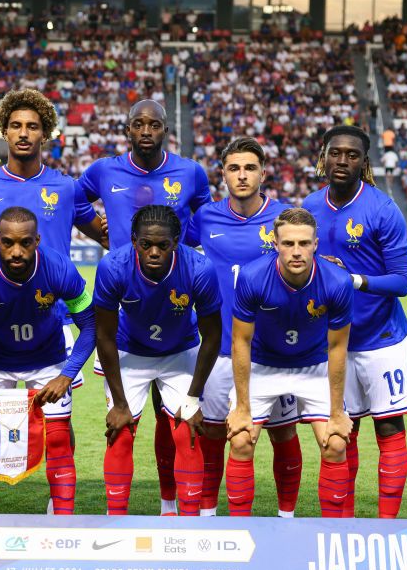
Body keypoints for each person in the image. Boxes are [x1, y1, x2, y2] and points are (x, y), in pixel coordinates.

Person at [0, 88, 107, 513]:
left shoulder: (65, 187)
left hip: (57, 318)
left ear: (46, 134)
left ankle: (54, 500)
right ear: (4, 132)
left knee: (57, 421)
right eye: (16, 126)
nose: (24, 134)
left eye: (33, 126)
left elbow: (103, 231)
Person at [80, 99, 213, 515]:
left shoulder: (190, 171)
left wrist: (184, 250)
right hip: (128, 305)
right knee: (123, 425)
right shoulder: (105, 171)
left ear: (165, 130)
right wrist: (99, 231)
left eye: (153, 124)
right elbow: (75, 200)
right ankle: (117, 518)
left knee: (176, 423)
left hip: (175, 310)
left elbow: (205, 214)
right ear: (127, 129)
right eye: (137, 124)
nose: (145, 131)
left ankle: (176, 512)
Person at [0, 207, 97, 515]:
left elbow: (90, 325)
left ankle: (62, 518)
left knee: (57, 438)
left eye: (25, 243)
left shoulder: (60, 268)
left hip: (48, 359)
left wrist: (66, 375)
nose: (16, 252)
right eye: (8, 243)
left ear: (37, 240)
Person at [187, 137, 304, 517]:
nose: (242, 175)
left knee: (283, 433)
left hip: (274, 352)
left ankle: (286, 518)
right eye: (234, 168)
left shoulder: (285, 218)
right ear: (222, 174)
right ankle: (208, 516)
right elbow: (168, 246)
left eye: (250, 168)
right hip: (220, 349)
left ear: (263, 173)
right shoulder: (205, 217)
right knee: (215, 433)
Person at [302, 125, 407, 518]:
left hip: (381, 338)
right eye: (336, 153)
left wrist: (352, 279)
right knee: (339, 434)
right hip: (332, 340)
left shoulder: (383, 209)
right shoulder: (308, 208)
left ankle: (385, 527)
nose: (342, 160)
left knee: (388, 428)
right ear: (324, 157)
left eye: (352, 155)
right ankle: (341, 530)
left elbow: (403, 282)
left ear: (364, 162)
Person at [226, 208, 354, 517]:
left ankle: (331, 534)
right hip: (263, 364)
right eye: (288, 244)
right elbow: (240, 341)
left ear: (315, 244)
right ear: (274, 242)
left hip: (313, 366)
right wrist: (242, 407)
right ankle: (237, 530)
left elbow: (338, 348)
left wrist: (337, 413)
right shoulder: (252, 277)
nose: (296, 251)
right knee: (241, 438)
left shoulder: (338, 282)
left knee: (336, 442)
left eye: (304, 243)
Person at [96, 205, 221, 516]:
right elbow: (104, 337)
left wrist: (192, 398)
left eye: (163, 245)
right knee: (120, 431)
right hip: (129, 351)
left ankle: (186, 520)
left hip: (180, 351)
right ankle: (116, 521)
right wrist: (120, 404)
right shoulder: (113, 267)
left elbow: (214, 337)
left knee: (187, 430)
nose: (154, 252)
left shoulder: (199, 269)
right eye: (145, 244)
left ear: (176, 242)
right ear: (134, 240)